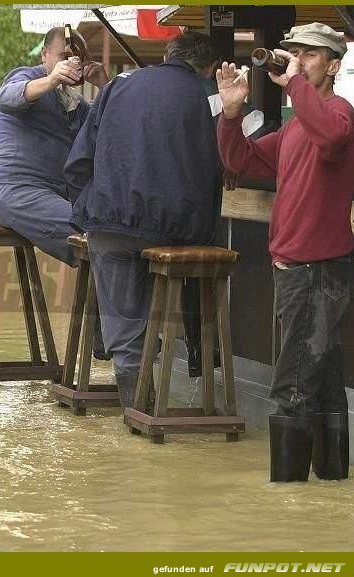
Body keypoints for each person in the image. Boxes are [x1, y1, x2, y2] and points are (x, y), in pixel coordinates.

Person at [216, 22, 354, 481]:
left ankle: (288, 501)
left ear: (333, 65)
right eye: (295, 52)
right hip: (300, 269)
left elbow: (333, 137)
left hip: (315, 271)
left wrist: (295, 82)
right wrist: (232, 114)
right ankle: (330, 490)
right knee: (324, 385)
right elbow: (240, 160)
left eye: (310, 55)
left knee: (291, 386)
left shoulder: (339, 114)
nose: (298, 60)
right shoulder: (299, 125)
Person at [64, 32, 224, 409]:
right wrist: (201, 235)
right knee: (158, 298)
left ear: (167, 55)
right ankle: (156, 399)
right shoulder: (201, 98)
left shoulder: (118, 86)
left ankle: (137, 411)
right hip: (170, 231)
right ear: (208, 69)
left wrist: (88, 207)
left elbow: (77, 162)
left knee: (123, 321)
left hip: (109, 225)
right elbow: (209, 172)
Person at [0, 26, 110, 358]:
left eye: (76, 61)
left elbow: (108, 129)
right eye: (63, 57)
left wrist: (105, 86)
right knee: (95, 237)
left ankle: (107, 337)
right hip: (13, 191)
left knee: (108, 236)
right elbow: (9, 97)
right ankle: (111, 337)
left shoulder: (76, 103)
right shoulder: (28, 77)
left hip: (49, 196)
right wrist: (52, 78)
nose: (70, 65)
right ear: (46, 57)